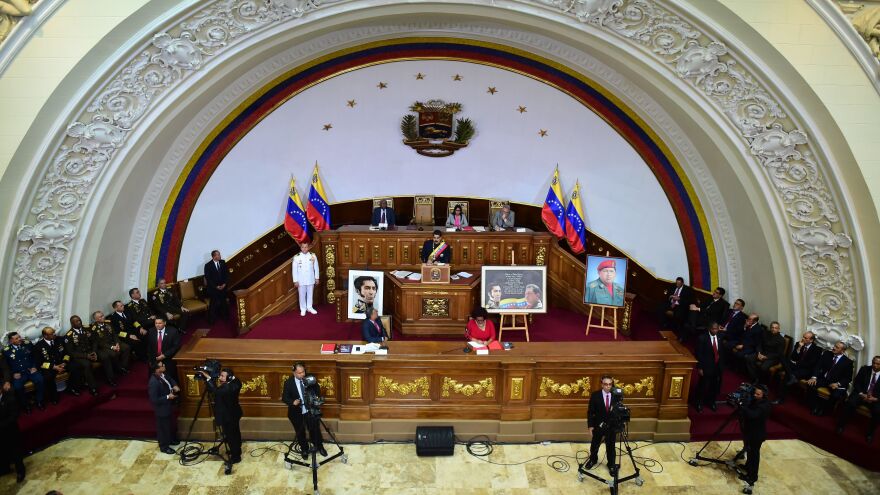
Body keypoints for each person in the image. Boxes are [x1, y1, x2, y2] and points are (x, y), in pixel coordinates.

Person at [281, 363, 326, 458]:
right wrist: (293, 402)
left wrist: (314, 397)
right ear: (294, 373)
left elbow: (317, 390)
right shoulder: (288, 383)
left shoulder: (310, 379)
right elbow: (284, 398)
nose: (302, 374)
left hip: (310, 410)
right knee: (300, 432)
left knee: (315, 429)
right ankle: (304, 449)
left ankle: (319, 446)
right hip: (297, 412)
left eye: (303, 372)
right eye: (299, 373)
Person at [202, 367, 243, 463]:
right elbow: (233, 379)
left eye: (222, 376)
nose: (220, 378)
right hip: (234, 414)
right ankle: (237, 450)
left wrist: (208, 378)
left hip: (228, 417)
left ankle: (236, 457)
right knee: (235, 433)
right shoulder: (236, 382)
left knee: (231, 436)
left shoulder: (226, 388)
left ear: (229, 378)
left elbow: (215, 391)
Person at [836, 355, 880, 444]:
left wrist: (876, 399)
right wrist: (861, 393)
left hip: (875, 399)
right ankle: (841, 425)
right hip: (861, 394)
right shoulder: (865, 369)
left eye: (878, 364)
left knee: (877, 411)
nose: (875, 365)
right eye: (874, 363)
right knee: (850, 403)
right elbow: (857, 383)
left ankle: (870, 434)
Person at [806, 341, 854, 416]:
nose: (834, 348)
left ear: (843, 351)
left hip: (835, 383)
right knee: (810, 384)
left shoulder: (848, 362)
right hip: (824, 379)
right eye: (835, 346)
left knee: (835, 396)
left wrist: (838, 384)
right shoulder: (827, 354)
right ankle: (815, 406)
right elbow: (818, 366)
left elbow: (848, 378)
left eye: (837, 347)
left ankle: (824, 410)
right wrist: (814, 377)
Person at [773, 331, 822, 404]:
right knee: (782, 357)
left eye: (805, 338)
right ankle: (791, 375)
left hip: (805, 370)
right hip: (795, 366)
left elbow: (810, 364)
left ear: (811, 340)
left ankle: (781, 399)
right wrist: (799, 348)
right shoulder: (798, 344)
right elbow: (793, 357)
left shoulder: (817, 349)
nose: (803, 339)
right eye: (803, 336)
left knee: (786, 376)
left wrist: (797, 363)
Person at [583, 375, 618, 475]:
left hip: (611, 426)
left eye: (610, 384)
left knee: (611, 446)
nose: (608, 386)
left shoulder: (616, 396)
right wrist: (590, 426)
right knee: (595, 444)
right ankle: (593, 460)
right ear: (602, 384)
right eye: (606, 384)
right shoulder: (595, 395)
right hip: (598, 425)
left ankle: (611, 464)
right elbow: (590, 412)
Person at [3, 332, 45, 412]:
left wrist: (34, 367)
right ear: (11, 341)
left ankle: (39, 401)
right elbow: (6, 367)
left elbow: (35, 356)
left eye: (19, 337)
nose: (19, 339)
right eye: (16, 338)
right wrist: (13, 374)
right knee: (18, 387)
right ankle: (25, 405)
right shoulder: (6, 351)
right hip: (19, 374)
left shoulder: (27, 344)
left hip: (30, 371)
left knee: (40, 380)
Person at [739, 384, 771, 487]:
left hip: (757, 435)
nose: (755, 395)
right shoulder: (756, 401)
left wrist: (743, 408)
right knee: (749, 451)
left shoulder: (764, 406)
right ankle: (748, 467)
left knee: (754, 455)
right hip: (751, 431)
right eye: (755, 393)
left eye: (758, 394)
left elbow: (753, 415)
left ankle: (752, 476)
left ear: (764, 395)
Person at [147, 361, 179, 455]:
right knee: (163, 428)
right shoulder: (153, 383)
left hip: (168, 406)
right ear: (157, 369)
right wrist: (168, 397)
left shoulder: (163, 374)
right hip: (162, 409)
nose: (164, 365)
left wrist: (174, 385)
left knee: (170, 424)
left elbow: (170, 379)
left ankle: (171, 440)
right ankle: (164, 447)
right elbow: (154, 399)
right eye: (162, 365)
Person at [62, 316, 99, 396]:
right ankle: (93, 387)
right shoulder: (69, 335)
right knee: (87, 364)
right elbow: (71, 352)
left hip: (91, 352)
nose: (79, 322)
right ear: (72, 324)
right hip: (79, 357)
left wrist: (94, 352)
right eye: (76, 321)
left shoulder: (87, 329)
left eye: (79, 320)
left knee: (104, 356)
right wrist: (86, 356)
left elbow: (94, 341)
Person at [34, 327, 71, 404]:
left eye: (54, 332)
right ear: (45, 336)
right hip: (50, 367)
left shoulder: (59, 340)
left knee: (75, 367)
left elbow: (67, 353)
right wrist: (54, 367)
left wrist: (64, 362)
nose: (54, 334)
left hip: (62, 363)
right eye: (52, 334)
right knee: (48, 377)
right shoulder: (39, 346)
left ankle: (72, 388)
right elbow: (39, 363)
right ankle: (54, 397)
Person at [91, 310, 131, 379]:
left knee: (126, 347)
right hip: (105, 346)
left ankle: (123, 367)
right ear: (96, 319)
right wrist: (112, 347)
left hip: (114, 342)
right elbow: (99, 343)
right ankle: (117, 369)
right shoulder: (93, 329)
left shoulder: (108, 323)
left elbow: (114, 334)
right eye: (101, 317)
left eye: (103, 315)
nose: (103, 317)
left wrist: (117, 343)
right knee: (114, 353)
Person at [694, 323, 724, 412]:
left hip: (717, 367)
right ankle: (699, 403)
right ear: (709, 329)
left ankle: (711, 402)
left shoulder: (720, 337)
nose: (715, 331)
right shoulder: (702, 338)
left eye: (717, 329)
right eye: (713, 329)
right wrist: (700, 367)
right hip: (706, 366)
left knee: (714, 386)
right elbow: (699, 354)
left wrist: (722, 366)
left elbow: (721, 352)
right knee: (702, 386)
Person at [0, 385, 25, 483]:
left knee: (16, 453)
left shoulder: (10, 398)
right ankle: (5, 469)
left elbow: (14, 416)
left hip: (11, 431)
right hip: (1, 434)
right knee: (3, 451)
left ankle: (20, 472)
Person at [292, 242, 320, 316]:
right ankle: (303, 308)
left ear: (308, 247)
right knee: (302, 295)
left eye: (306, 247)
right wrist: (295, 281)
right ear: (300, 248)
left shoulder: (313, 256)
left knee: (310, 294)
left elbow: (316, 267)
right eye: (303, 247)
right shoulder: (297, 257)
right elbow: (294, 270)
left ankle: (310, 307)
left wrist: (317, 278)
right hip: (301, 280)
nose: (304, 249)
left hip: (310, 278)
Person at [204, 250, 230, 323]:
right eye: (218, 255)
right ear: (213, 256)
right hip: (213, 289)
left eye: (219, 254)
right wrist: (216, 287)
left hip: (223, 287)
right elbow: (208, 279)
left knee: (223, 302)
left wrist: (224, 284)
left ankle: (225, 317)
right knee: (213, 304)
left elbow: (227, 274)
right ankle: (211, 320)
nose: (219, 256)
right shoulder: (208, 265)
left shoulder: (223, 262)